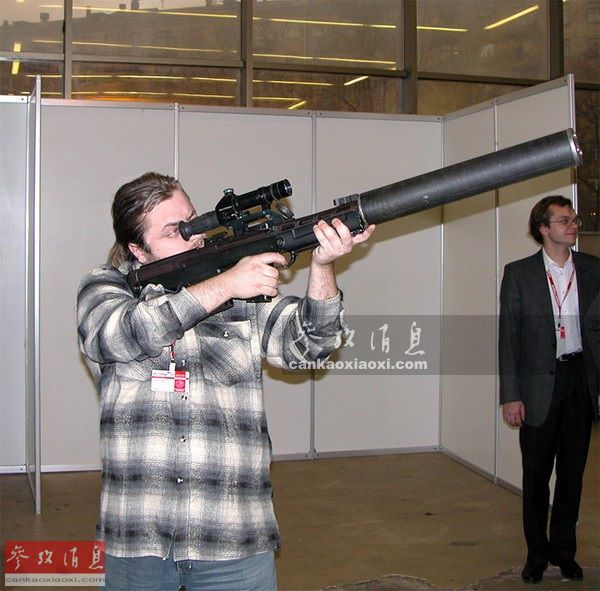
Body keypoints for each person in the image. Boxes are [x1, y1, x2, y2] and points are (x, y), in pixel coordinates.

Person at [77, 172, 375, 591]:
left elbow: (311, 346)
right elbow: (118, 335)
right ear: (137, 250)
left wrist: (322, 266)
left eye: (193, 221)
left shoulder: (240, 293)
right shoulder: (107, 288)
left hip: (232, 533)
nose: (194, 235)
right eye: (174, 232)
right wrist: (225, 284)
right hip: (137, 535)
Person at [499, 195, 599, 584]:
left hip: (580, 380)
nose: (573, 226)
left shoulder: (592, 269)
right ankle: (537, 555)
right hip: (537, 386)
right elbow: (509, 338)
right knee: (537, 478)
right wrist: (511, 394)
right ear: (543, 228)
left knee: (573, 476)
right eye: (564, 220)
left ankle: (564, 553)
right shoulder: (519, 274)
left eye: (574, 220)